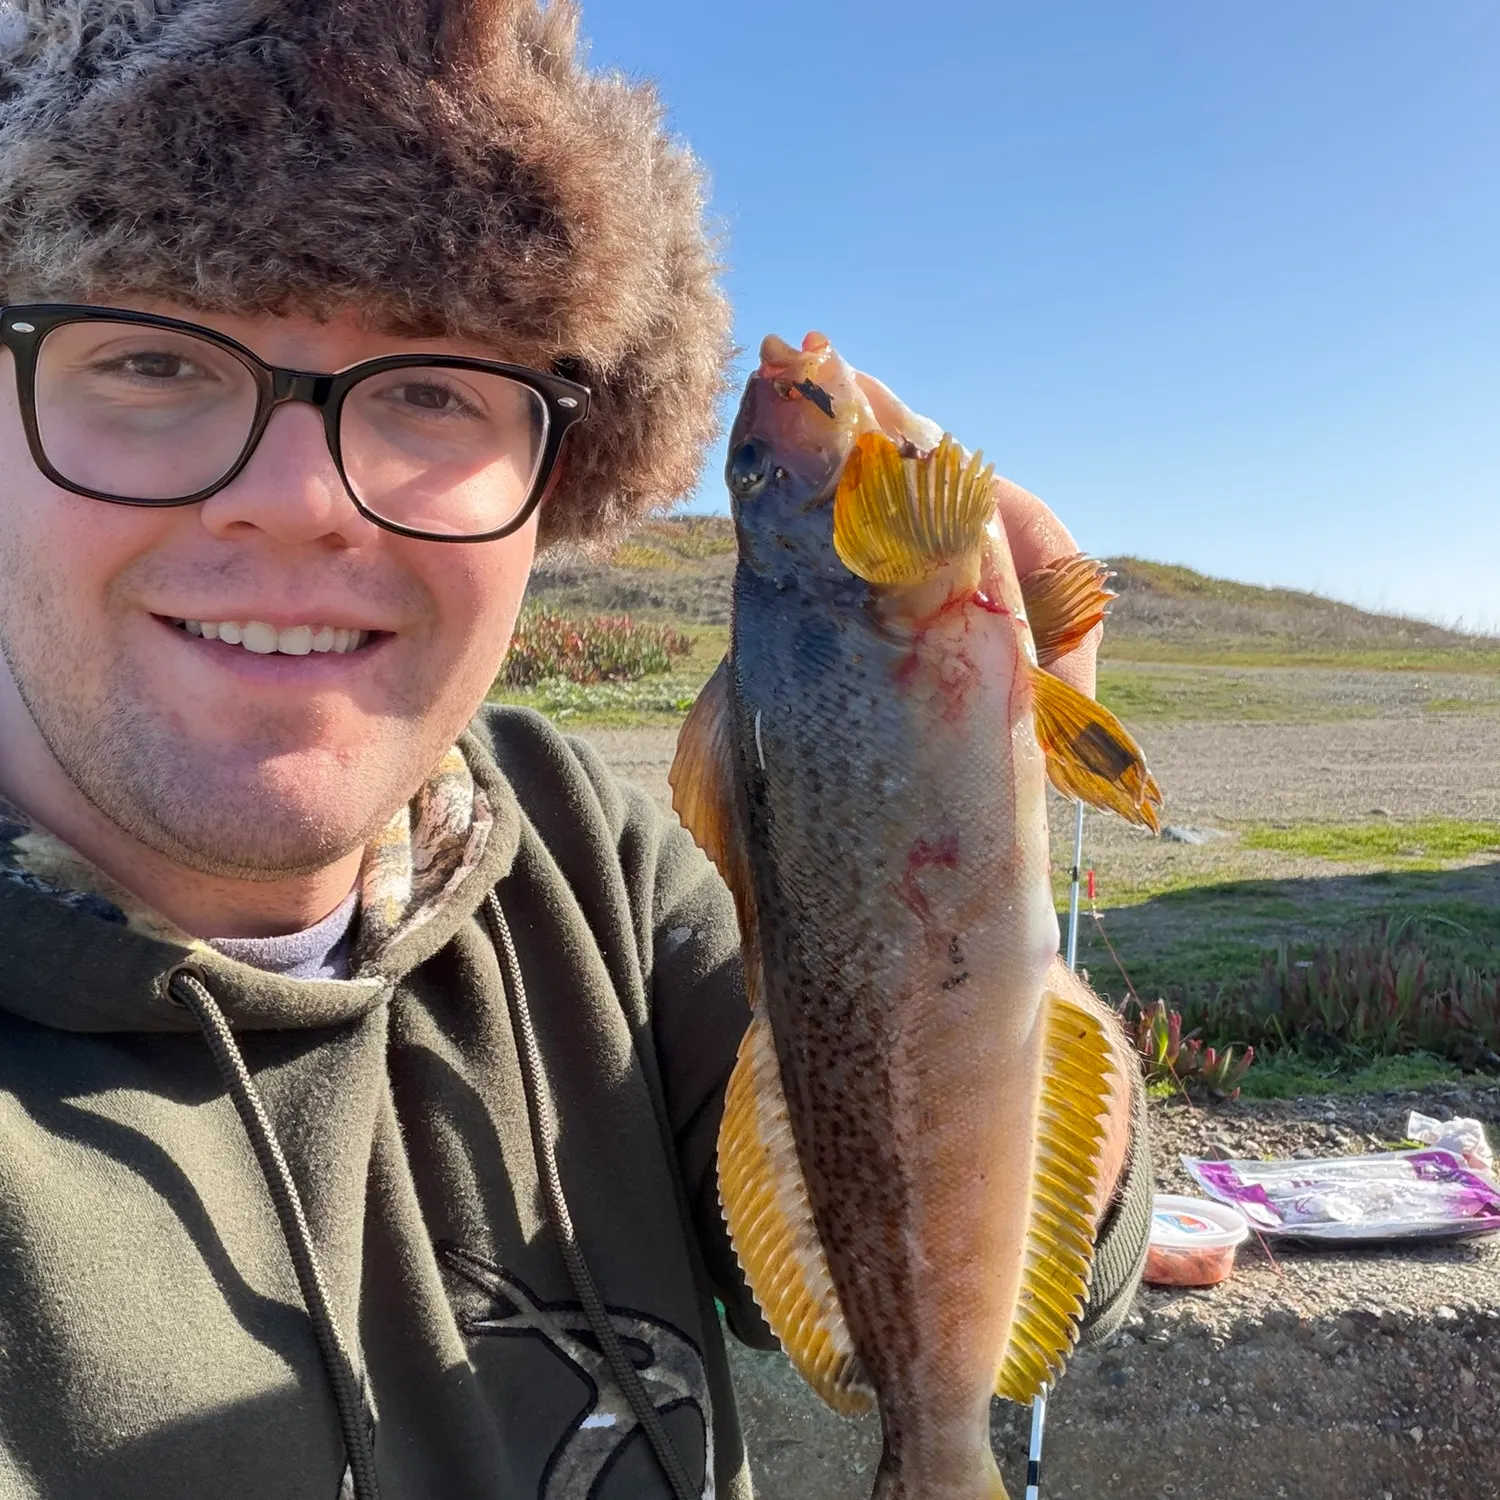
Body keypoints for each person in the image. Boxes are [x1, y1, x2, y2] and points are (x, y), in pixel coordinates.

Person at [0, 2, 1152, 1497]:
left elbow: (1015, 1226)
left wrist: (955, 792)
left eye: (430, 387)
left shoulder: (587, 863)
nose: (297, 501)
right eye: (153, 359)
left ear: (555, 487)